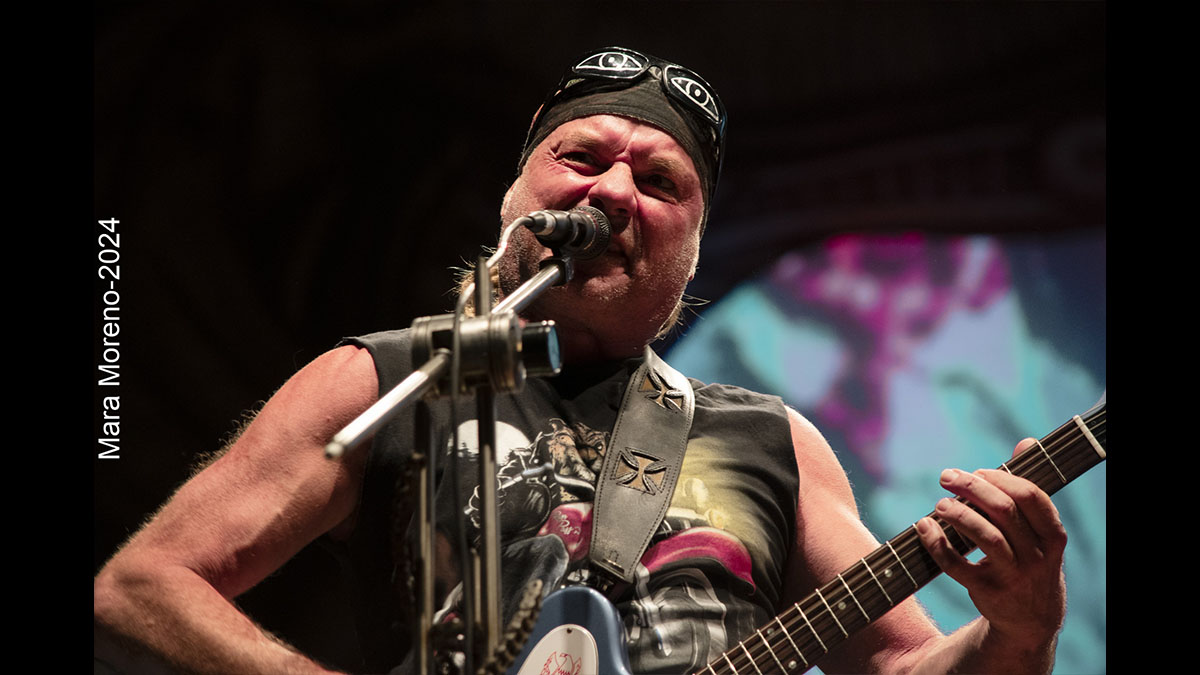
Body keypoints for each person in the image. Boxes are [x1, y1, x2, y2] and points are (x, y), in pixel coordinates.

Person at [94, 47, 1069, 674]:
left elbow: (907, 666)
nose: (613, 191)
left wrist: (1022, 628)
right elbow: (141, 584)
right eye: (582, 158)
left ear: (693, 249)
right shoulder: (389, 381)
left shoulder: (773, 442)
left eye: (659, 181)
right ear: (516, 193)